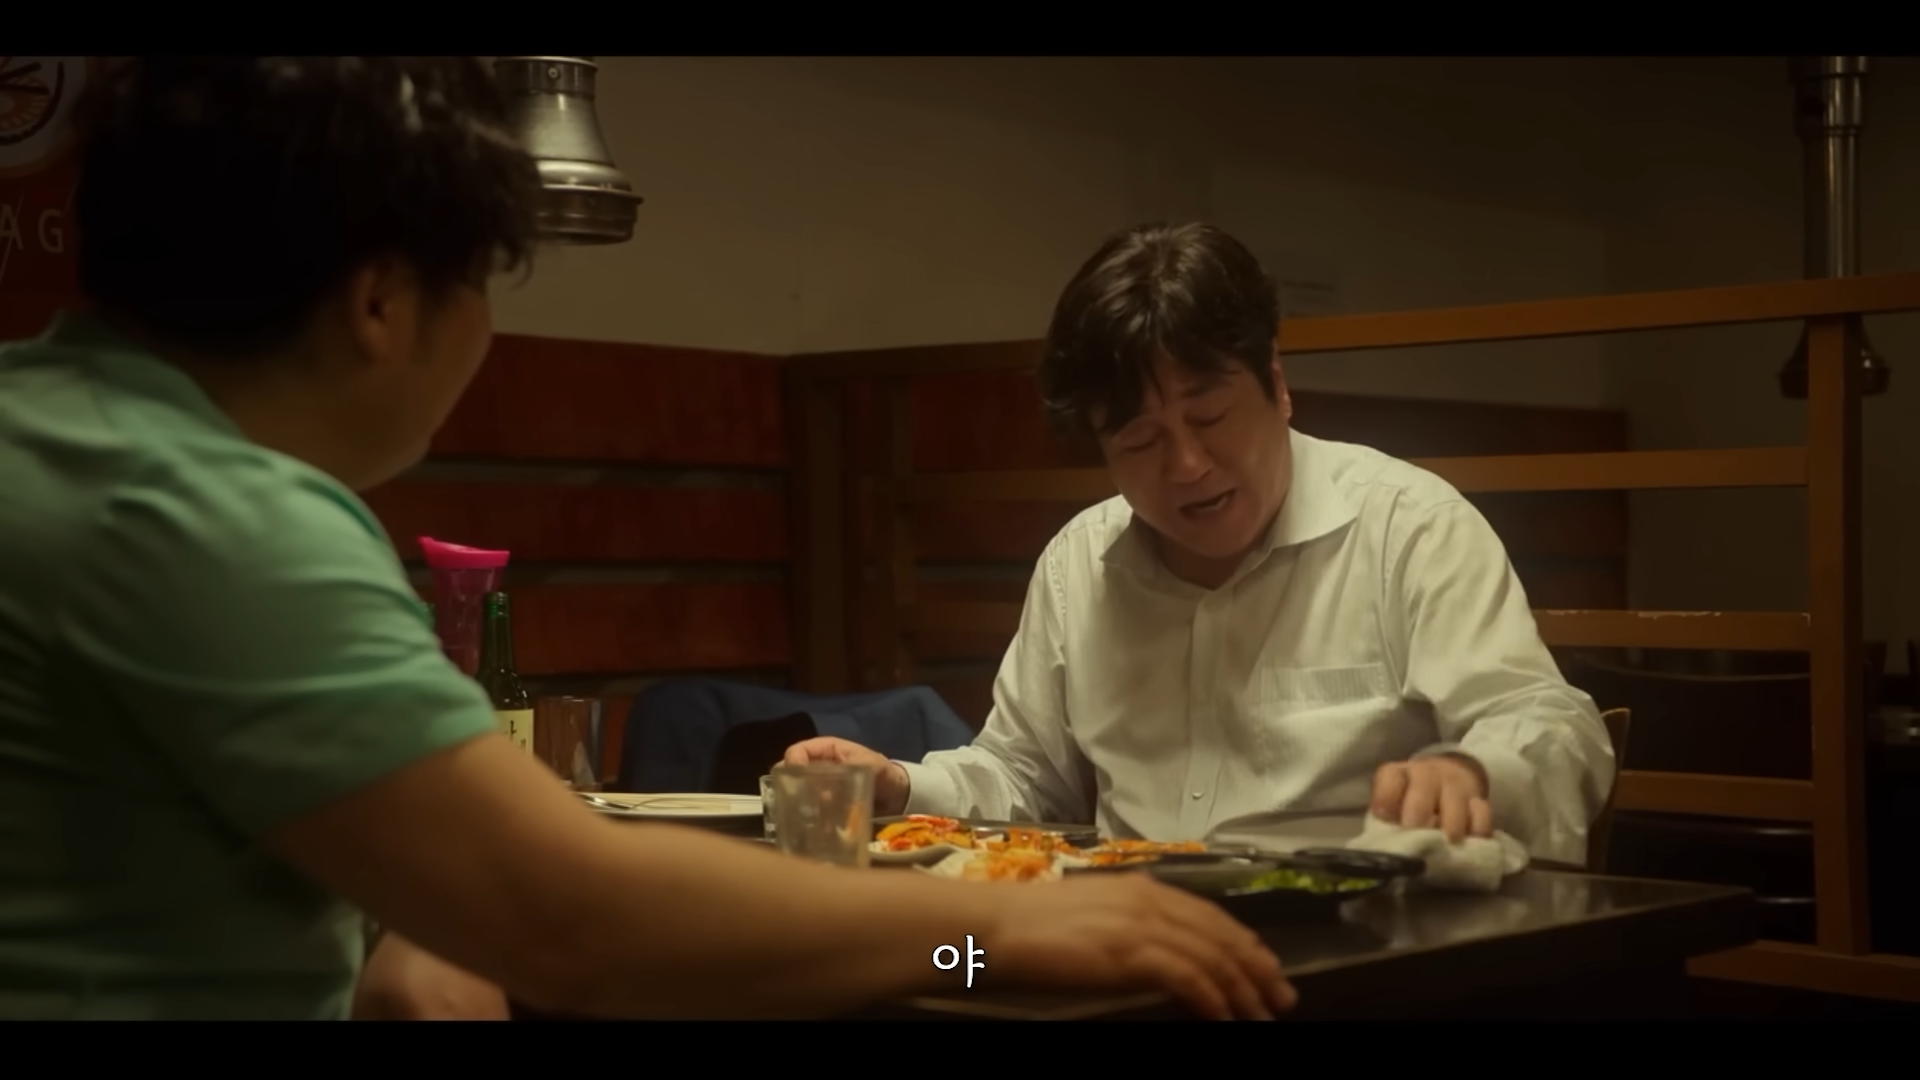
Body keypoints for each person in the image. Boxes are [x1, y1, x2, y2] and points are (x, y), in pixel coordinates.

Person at [0, 58, 1293, 1021]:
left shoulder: (50, 433)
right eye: (484, 282)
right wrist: (986, 944)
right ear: (382, 302)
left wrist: (399, 927)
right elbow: (572, 918)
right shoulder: (206, 514)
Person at [784, 222, 1616, 865]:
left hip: (1358, 943)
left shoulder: (1407, 526)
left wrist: (1472, 770)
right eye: (1140, 441)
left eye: (1210, 416)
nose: (1186, 465)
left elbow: (1550, 723)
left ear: (1276, 386)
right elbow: (1024, 776)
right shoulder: (1080, 565)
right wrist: (899, 786)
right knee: (944, 971)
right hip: (1129, 940)